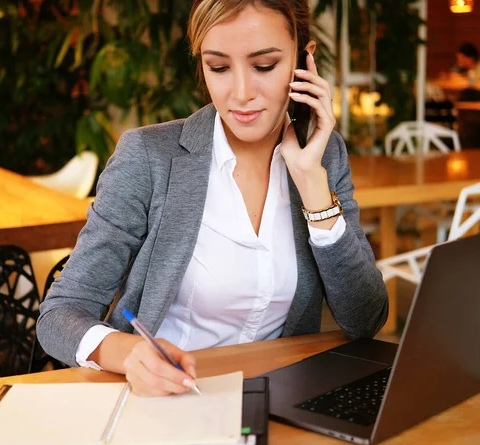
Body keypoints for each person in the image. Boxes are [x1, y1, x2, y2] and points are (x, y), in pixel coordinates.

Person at [37, 0, 388, 397]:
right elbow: (59, 314)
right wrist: (129, 352)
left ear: (304, 61)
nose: (240, 93)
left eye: (264, 66)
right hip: (163, 402)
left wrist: (312, 185)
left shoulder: (324, 155)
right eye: (218, 67)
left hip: (277, 400)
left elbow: (365, 320)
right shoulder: (149, 157)